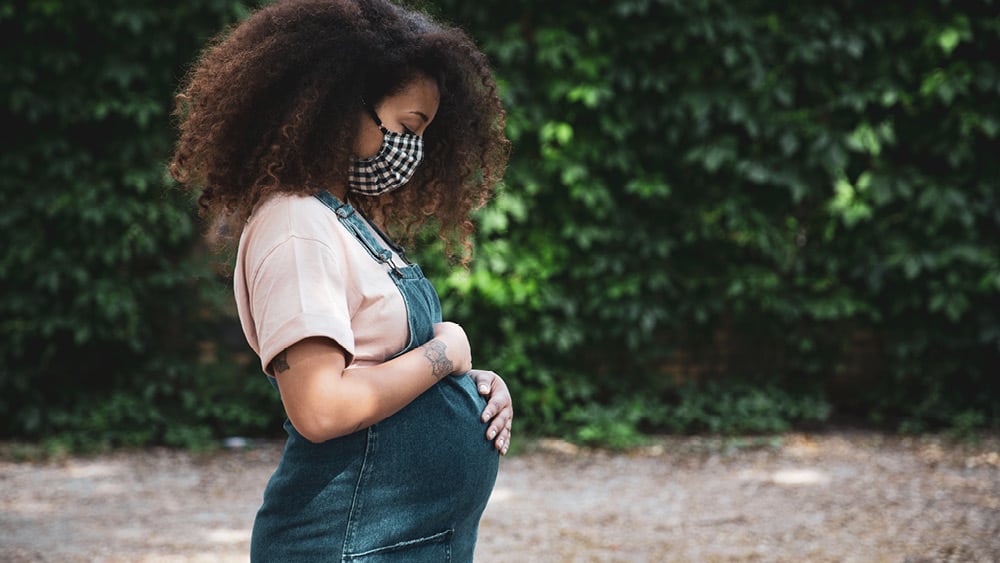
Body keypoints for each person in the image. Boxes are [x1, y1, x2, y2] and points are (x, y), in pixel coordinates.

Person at [169, 0, 513, 560]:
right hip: (349, 542)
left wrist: (471, 388)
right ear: (338, 106)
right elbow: (321, 408)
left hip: (394, 538)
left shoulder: (343, 222)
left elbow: (377, 365)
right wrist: (446, 353)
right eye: (408, 127)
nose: (415, 152)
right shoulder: (297, 225)